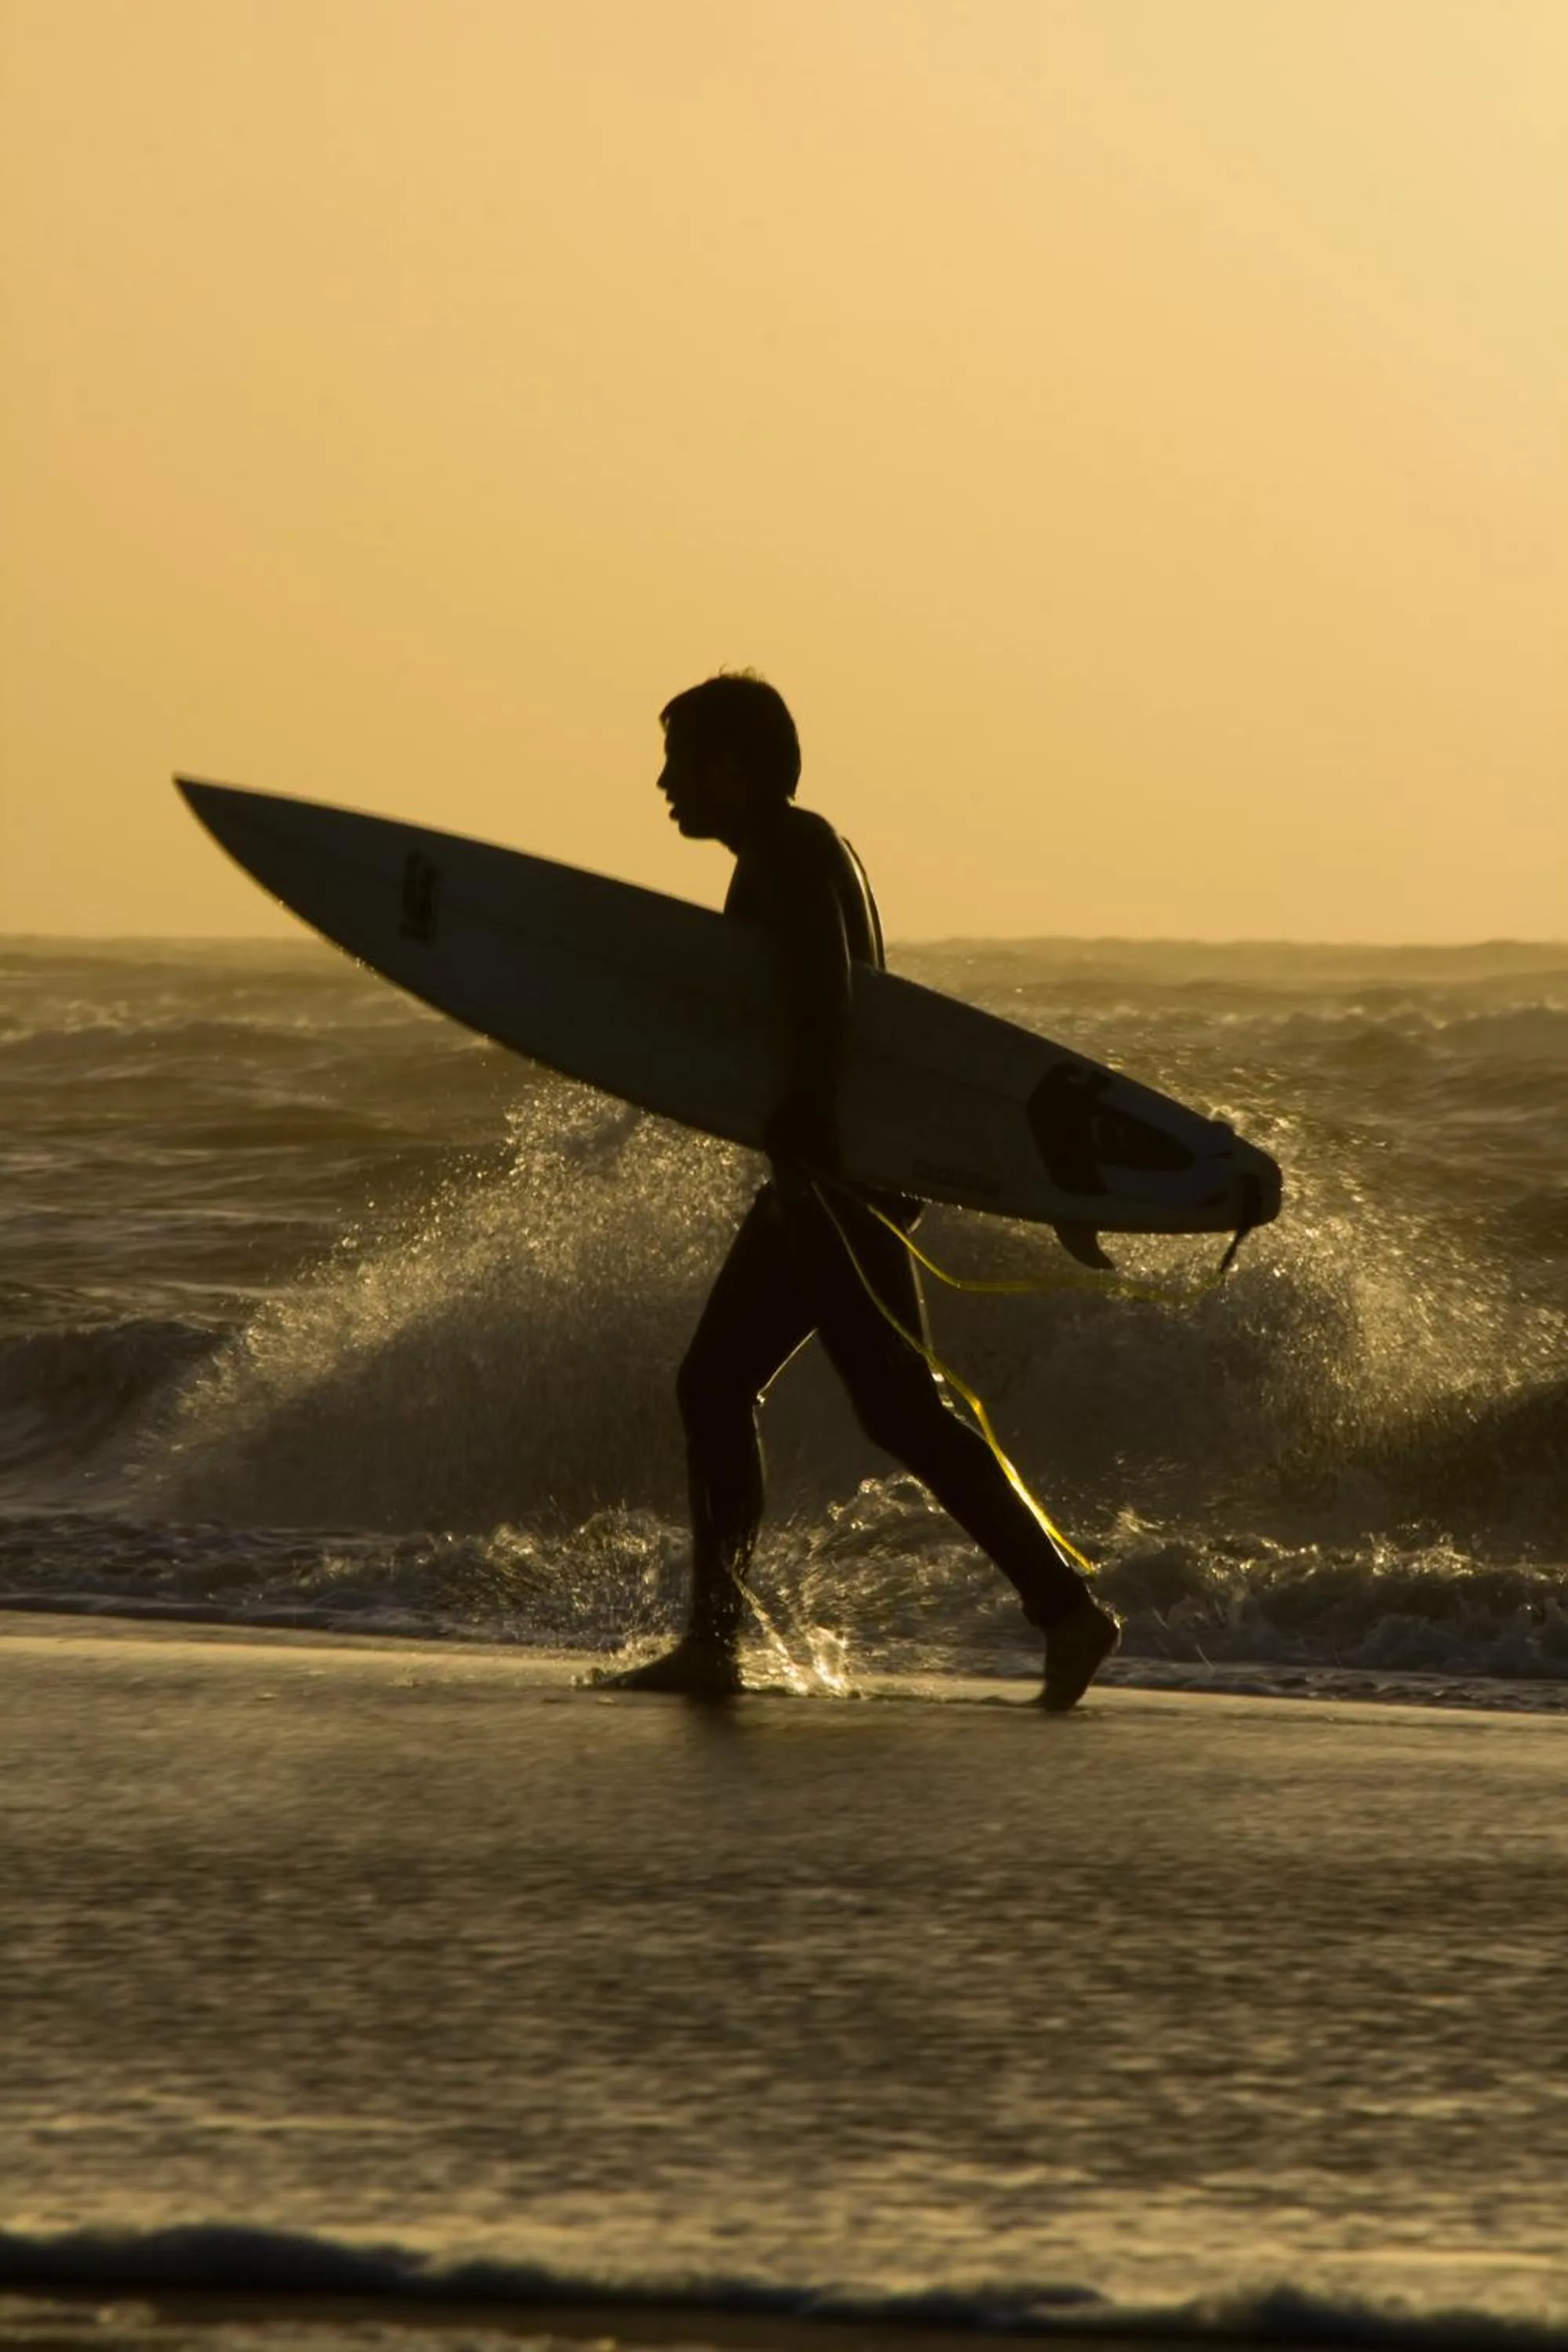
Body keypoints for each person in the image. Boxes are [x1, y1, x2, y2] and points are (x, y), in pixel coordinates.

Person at [614, 672, 1120, 1710]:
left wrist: (801, 1130)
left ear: (736, 768)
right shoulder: (805, 849)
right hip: (848, 1172)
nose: (663, 781)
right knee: (883, 1406)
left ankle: (721, 1642)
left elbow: (826, 994)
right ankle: (1062, 1609)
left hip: (834, 1178)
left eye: (680, 759)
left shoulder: (789, 857)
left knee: (745, 1389)